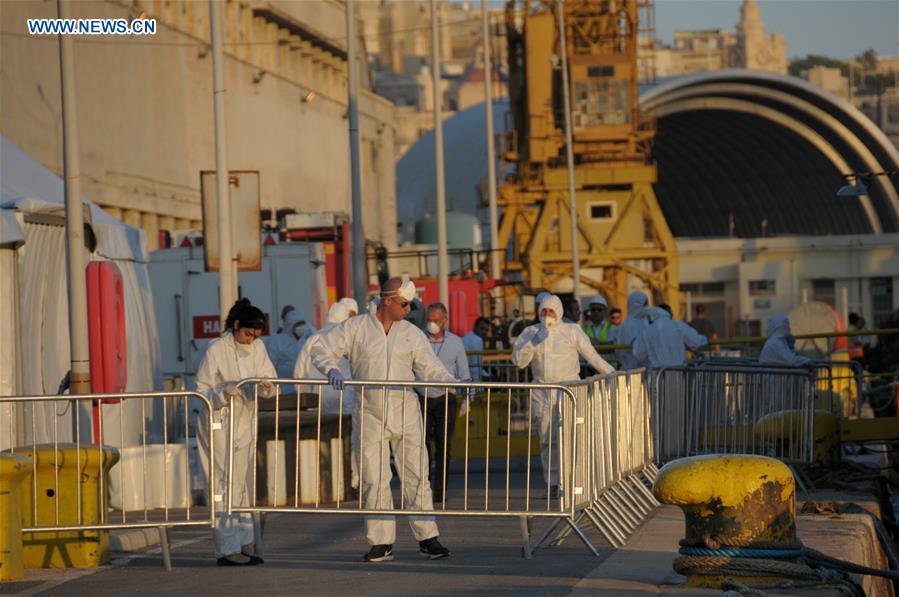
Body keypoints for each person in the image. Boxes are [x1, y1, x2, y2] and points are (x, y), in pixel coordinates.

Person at [312, 277, 466, 562]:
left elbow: (431, 369)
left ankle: (427, 537)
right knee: (374, 477)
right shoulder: (355, 328)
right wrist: (331, 368)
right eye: (405, 304)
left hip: (405, 410)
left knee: (417, 474)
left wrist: (455, 382)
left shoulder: (411, 333)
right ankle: (381, 542)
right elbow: (320, 348)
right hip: (369, 411)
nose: (409, 309)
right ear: (388, 301)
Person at [196, 298, 276, 566]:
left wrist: (266, 387)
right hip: (219, 423)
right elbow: (201, 388)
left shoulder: (259, 347)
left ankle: (246, 544)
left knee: (241, 484)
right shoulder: (216, 349)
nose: (251, 340)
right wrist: (221, 392)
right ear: (237, 326)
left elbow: (271, 378)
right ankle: (226, 548)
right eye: (248, 333)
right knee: (222, 484)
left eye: (256, 335)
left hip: (244, 422)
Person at [511, 294, 614, 498]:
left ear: (558, 312)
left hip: (568, 390)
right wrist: (533, 342)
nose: (547, 315)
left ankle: (572, 480)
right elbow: (518, 362)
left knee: (569, 437)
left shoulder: (571, 330)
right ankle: (553, 482)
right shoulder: (530, 332)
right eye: (543, 311)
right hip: (541, 391)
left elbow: (591, 355)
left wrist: (612, 374)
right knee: (547, 439)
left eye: (550, 311)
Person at [293, 302, 360, 490]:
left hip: (318, 403)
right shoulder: (349, 338)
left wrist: (307, 399)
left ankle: (321, 485)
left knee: (319, 444)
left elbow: (298, 375)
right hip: (346, 401)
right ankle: (352, 483)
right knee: (351, 443)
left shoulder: (312, 339)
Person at [421, 303, 471, 502]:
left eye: (436, 320)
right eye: (429, 320)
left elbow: (464, 372)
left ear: (445, 320)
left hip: (446, 397)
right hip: (421, 396)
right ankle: (422, 489)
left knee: (443, 445)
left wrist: (467, 398)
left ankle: (440, 492)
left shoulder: (456, 343)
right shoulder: (419, 338)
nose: (432, 324)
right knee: (421, 446)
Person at [632, 307, 708, 368]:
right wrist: (706, 340)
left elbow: (638, 355)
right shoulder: (677, 325)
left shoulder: (646, 331)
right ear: (668, 314)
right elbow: (696, 342)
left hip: (656, 377)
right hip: (678, 374)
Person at [265, 310, 314, 379]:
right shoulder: (277, 341)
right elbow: (269, 365)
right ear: (290, 326)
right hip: (284, 386)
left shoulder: (308, 339)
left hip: (305, 385)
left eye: (302, 324)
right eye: (298, 324)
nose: (301, 327)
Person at [610, 291, 650, 370]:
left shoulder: (646, 322)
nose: (647, 307)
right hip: (632, 370)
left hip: (645, 370)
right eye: (645, 304)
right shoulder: (627, 326)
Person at [463, 317, 491, 382]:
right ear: (474, 327)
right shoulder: (478, 340)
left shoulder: (466, 338)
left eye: (486, 330)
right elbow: (475, 366)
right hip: (472, 380)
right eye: (481, 328)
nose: (484, 332)